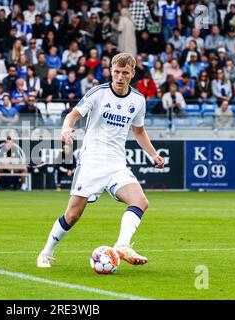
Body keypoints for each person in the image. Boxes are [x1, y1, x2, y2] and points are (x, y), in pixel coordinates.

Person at [37, 53, 165, 268]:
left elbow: (139, 131)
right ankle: (46, 253)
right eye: (116, 72)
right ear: (110, 71)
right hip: (92, 161)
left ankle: (123, 244)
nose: (120, 77)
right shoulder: (98, 93)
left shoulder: (138, 100)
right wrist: (66, 127)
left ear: (132, 74)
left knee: (140, 201)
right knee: (73, 214)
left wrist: (153, 154)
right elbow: (73, 114)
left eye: (125, 73)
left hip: (117, 163)